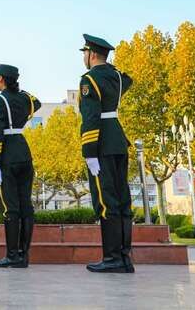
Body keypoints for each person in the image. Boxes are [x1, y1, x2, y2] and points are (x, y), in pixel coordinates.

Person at [78, 34, 135, 273]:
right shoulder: (117, 78)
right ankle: (124, 257)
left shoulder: (89, 79)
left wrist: (89, 152)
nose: (83, 57)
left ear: (91, 54)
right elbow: (127, 79)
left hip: (101, 143)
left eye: (84, 53)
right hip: (118, 140)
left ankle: (112, 258)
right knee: (122, 201)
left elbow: (91, 118)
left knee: (105, 202)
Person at [0, 64, 41, 268]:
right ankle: (23, 255)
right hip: (23, 150)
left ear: (2, 79)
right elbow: (36, 102)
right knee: (25, 205)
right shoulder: (23, 98)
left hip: (8, 154)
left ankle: (12, 255)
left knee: (11, 207)